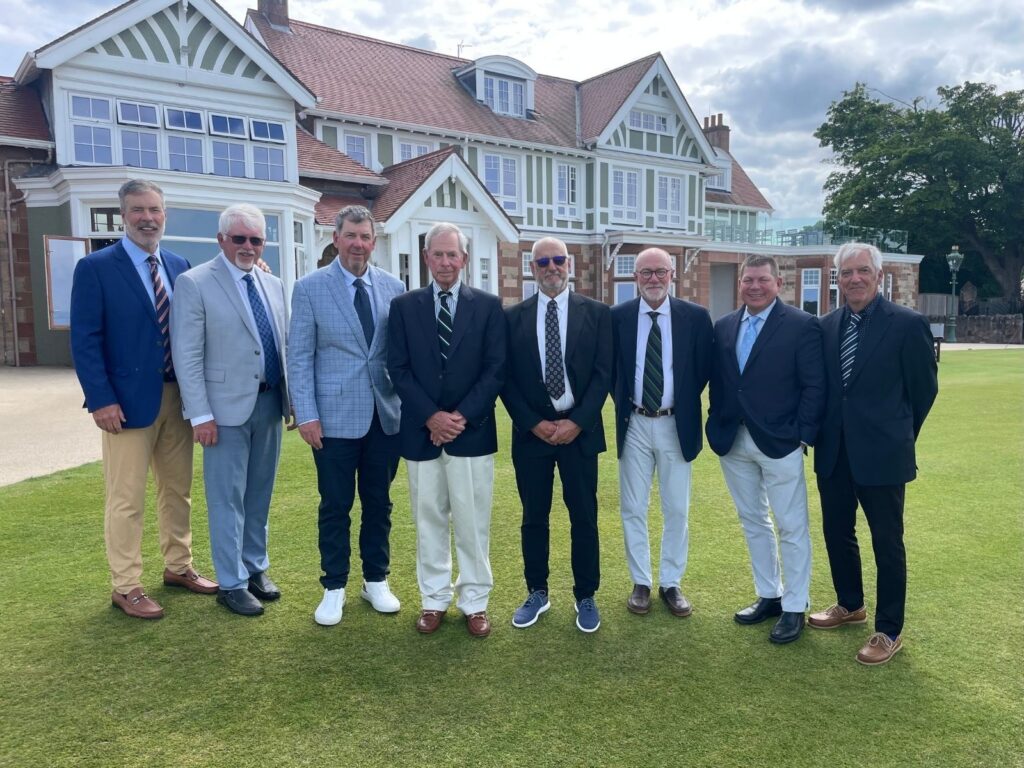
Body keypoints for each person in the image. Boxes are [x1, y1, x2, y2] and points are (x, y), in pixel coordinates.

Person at [70, 179, 217, 620]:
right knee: (127, 498)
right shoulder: (96, 267)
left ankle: (179, 567)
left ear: (164, 214)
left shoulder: (178, 264)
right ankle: (127, 585)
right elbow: (85, 339)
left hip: (178, 398)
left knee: (178, 491)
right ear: (123, 215)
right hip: (126, 404)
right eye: (137, 210)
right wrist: (101, 399)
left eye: (154, 209)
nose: (147, 218)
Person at [810, 242, 938, 665]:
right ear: (838, 279)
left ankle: (888, 630)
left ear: (879, 276)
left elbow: (923, 391)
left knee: (887, 541)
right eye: (846, 273)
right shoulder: (825, 326)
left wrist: (897, 435)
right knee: (837, 531)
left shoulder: (907, 324)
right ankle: (850, 604)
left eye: (863, 271)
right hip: (834, 452)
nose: (855, 279)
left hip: (883, 455)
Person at [386, 223, 506, 637]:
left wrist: (458, 418)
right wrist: (431, 417)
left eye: (452, 255)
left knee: (473, 522)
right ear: (426, 258)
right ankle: (433, 599)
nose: (444, 262)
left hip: (470, 433)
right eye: (437, 254)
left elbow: (495, 370)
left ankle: (475, 602)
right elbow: (397, 369)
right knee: (429, 518)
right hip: (422, 434)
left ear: (464, 259)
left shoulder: (488, 306)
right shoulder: (404, 307)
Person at [288, 205, 405, 626]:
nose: (358, 244)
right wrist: (306, 414)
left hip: (384, 416)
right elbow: (298, 356)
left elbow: (399, 354)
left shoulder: (394, 286)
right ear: (336, 239)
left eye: (366, 237)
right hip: (333, 419)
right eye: (351, 235)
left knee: (379, 503)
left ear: (374, 242)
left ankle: (376, 579)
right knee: (335, 505)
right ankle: (333, 585)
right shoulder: (309, 288)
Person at [170, 204, 289, 617]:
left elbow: (279, 343)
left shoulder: (272, 284)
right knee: (226, 499)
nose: (247, 246)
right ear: (221, 239)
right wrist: (199, 414)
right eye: (239, 238)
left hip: (270, 403)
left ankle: (255, 568)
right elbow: (186, 354)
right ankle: (232, 582)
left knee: (259, 494)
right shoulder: (195, 283)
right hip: (222, 413)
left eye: (255, 239)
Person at [706, 254, 824, 644]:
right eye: (748, 280)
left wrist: (802, 436)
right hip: (733, 440)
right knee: (753, 521)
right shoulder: (723, 326)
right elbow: (725, 383)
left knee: (792, 525)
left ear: (778, 284)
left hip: (781, 442)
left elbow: (814, 386)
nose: (754, 287)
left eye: (762, 280)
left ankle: (795, 606)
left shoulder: (802, 326)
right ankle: (769, 595)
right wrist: (714, 421)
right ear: (740, 283)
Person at [502, 237, 612, 633]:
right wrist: (534, 423)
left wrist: (577, 422)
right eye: (543, 261)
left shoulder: (597, 314)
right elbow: (506, 379)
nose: (552, 267)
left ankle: (586, 595)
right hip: (532, 433)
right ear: (533, 268)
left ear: (570, 265)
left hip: (578, 432)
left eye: (558, 260)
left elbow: (604, 374)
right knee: (534, 517)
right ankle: (537, 591)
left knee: (584, 515)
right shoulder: (513, 317)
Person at [610, 248, 712, 619]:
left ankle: (671, 582)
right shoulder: (618, 317)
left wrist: (676, 402)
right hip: (634, 422)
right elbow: (612, 371)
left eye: (660, 272)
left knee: (676, 508)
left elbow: (701, 370)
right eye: (645, 273)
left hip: (675, 422)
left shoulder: (696, 318)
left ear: (673, 275)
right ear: (635, 277)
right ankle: (641, 581)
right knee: (633, 506)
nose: (653, 279)